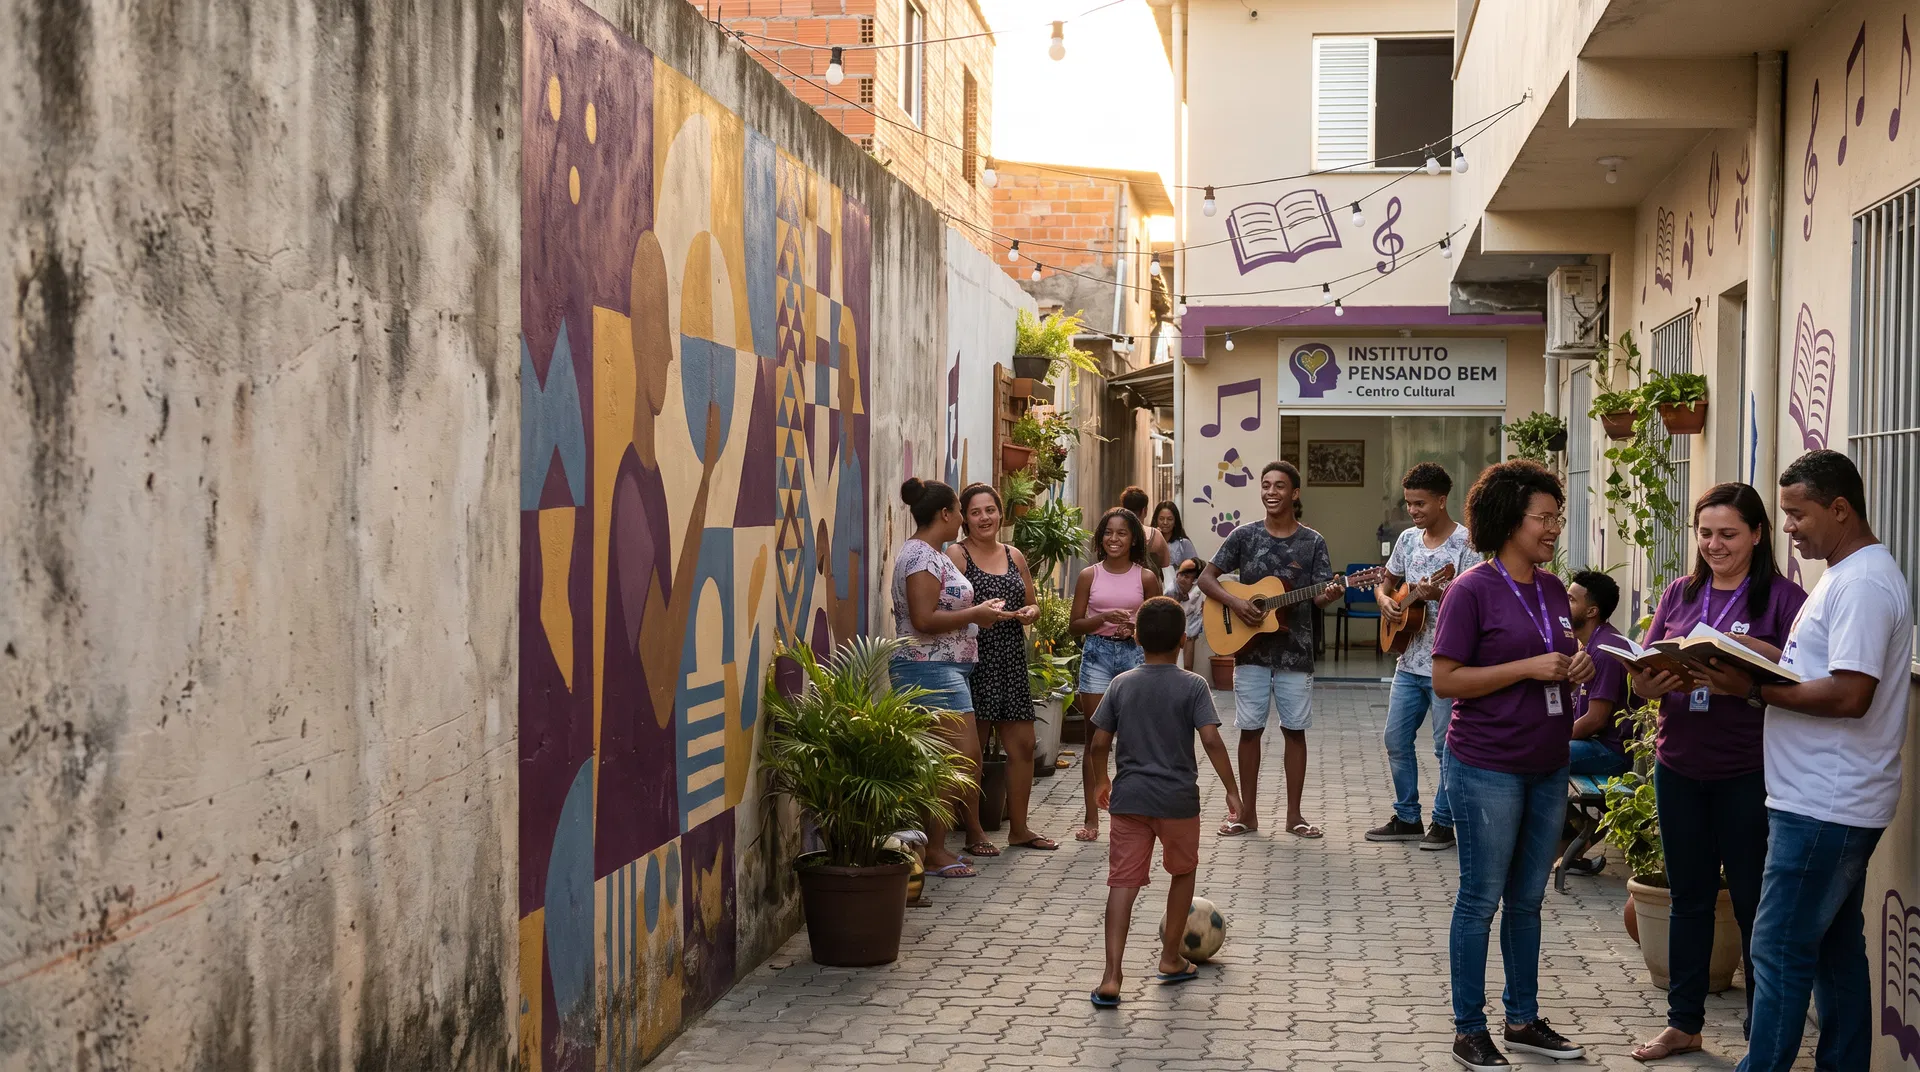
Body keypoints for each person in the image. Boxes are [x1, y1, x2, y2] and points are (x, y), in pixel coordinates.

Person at [1694, 452, 1912, 1072]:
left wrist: (1752, 689)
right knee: (1832, 953)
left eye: (1797, 514)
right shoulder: (1846, 574)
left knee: (1778, 949)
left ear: (1839, 509)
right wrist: (1743, 651)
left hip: (1826, 803)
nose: (1788, 527)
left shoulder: (1864, 583)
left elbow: (1850, 693)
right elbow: (1820, 669)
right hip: (1821, 799)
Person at [1627, 482, 1806, 1062]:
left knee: (1757, 903)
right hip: (1679, 763)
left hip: (1749, 771)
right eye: (1705, 534)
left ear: (1758, 534)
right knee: (1690, 898)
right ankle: (1684, 1023)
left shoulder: (1783, 598)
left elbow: (1804, 673)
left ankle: (1763, 1026)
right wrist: (1645, 681)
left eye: (1728, 534)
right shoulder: (1682, 591)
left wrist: (1759, 653)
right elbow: (1645, 667)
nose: (1714, 545)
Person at [1430, 459, 1594, 1069]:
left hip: (1547, 764)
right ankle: (1469, 1030)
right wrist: (1528, 669)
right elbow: (1446, 680)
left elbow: (1564, 654)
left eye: (1557, 518)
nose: (1553, 529)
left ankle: (1522, 1019)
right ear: (1507, 520)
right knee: (1480, 899)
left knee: (1528, 900)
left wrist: (1580, 664)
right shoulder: (1470, 590)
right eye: (1543, 518)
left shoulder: (1554, 589)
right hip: (1486, 767)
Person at [1086, 596, 1243, 1007]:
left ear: (1137, 638)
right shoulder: (1193, 685)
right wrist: (1232, 788)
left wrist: (1103, 781)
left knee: (1122, 884)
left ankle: (1111, 976)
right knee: (1182, 874)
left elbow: (1099, 742)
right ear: (1181, 640)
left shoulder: (1120, 684)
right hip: (1177, 802)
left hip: (1129, 800)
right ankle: (1170, 959)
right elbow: (1210, 739)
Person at [1196, 460, 1343, 839]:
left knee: (1295, 732)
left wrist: (1330, 594)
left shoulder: (1313, 542)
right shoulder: (1245, 537)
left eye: (1279, 486)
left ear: (1295, 493)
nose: (1271, 492)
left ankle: (1294, 816)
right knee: (1250, 730)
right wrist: (1235, 603)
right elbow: (1206, 578)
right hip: (1251, 651)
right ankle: (1247, 815)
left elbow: (1321, 598)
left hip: (1296, 653)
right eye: (1265, 485)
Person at [890, 478, 1019, 879]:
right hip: (929, 667)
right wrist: (975, 615)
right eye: (960, 511)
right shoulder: (921, 557)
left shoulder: (930, 553)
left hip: (947, 667)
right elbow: (923, 619)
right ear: (945, 514)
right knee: (956, 760)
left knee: (960, 759)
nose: (965, 518)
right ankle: (934, 850)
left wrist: (980, 612)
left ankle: (935, 846)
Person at [1367, 462, 1478, 850]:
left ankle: (1444, 824)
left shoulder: (1466, 544)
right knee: (1395, 739)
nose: (1413, 511)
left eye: (1420, 503)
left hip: (1446, 666)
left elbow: (1474, 602)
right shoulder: (1408, 540)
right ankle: (1407, 817)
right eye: (1409, 503)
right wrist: (1385, 602)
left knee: (1444, 747)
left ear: (1442, 500)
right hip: (1408, 662)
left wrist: (1441, 594)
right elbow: (1388, 582)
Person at [949, 483, 1058, 854]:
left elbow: (1032, 604)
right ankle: (974, 830)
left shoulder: (1014, 555)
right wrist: (981, 615)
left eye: (990, 510)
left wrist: (1030, 612)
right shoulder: (957, 554)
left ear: (1000, 513)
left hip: (1011, 659)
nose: (984, 518)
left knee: (1024, 746)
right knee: (972, 751)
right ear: (965, 517)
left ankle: (1020, 829)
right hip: (973, 661)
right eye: (976, 512)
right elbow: (944, 608)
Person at [1071, 507, 1164, 842]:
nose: (1114, 539)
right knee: (1095, 740)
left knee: (1135, 739)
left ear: (1133, 539)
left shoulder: (1146, 578)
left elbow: (1160, 625)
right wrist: (1104, 618)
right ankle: (1091, 818)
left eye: (1121, 533)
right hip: (1097, 654)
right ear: (1100, 538)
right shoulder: (1089, 575)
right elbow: (1074, 626)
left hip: (1134, 659)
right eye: (1108, 532)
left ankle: (1132, 816)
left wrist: (1136, 628)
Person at [1565, 570, 1631, 779]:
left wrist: (1554, 738)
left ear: (1591, 611)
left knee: (1535, 752)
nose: (1563, 605)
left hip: (1608, 752)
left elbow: (1596, 720)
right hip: (1588, 744)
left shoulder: (1605, 651)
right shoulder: (1591, 642)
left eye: (1571, 600)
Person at [1168, 557, 1206, 671]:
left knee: (1190, 639)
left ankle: (1188, 673)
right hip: (1176, 623)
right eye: (1183, 575)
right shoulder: (1170, 589)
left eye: (1189, 577)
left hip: (1191, 621)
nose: (1185, 579)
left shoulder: (1197, 591)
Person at [1121, 486, 1172, 571]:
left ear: (1122, 509)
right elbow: (1166, 565)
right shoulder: (1155, 536)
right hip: (1150, 583)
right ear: (1145, 510)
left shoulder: (1114, 535)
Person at [1153, 500, 1199, 588]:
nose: (1165, 522)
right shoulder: (1149, 542)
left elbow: (1195, 570)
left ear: (1175, 522)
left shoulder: (1183, 544)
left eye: (1169, 519)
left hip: (1177, 592)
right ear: (1156, 520)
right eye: (1161, 519)